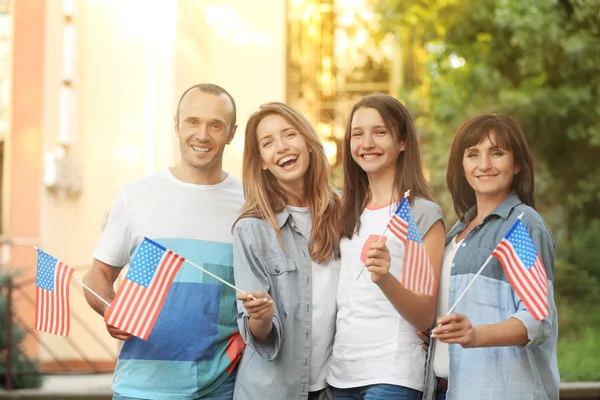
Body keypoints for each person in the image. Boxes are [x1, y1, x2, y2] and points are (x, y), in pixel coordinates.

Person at [83, 83, 246, 400]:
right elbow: (97, 275)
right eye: (193, 121)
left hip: (221, 387)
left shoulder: (250, 203)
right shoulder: (137, 195)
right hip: (141, 387)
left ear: (231, 133)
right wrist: (109, 308)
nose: (202, 135)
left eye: (216, 125)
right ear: (176, 125)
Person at [423, 114, 559, 400]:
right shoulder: (456, 233)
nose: (484, 165)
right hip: (444, 390)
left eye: (497, 153)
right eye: (473, 154)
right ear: (461, 166)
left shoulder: (522, 225)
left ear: (517, 164)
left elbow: (537, 319)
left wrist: (475, 335)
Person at [327, 94, 446, 400]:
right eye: (357, 133)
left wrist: (386, 279)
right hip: (340, 375)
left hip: (392, 374)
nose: (367, 143)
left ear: (403, 141)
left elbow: (424, 316)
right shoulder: (345, 210)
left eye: (380, 132)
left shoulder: (421, 213)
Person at [232, 102, 341, 400]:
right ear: (263, 162)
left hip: (337, 387)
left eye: (289, 135)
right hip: (271, 391)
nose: (281, 147)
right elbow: (259, 336)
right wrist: (262, 316)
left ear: (307, 142)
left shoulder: (346, 212)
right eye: (267, 143)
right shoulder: (251, 229)